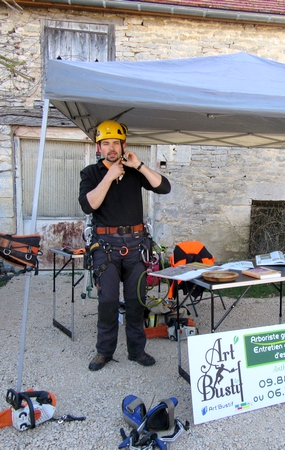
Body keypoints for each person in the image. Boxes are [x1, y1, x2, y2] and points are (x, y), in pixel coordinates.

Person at [79, 120, 171, 370]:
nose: (111, 148)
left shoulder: (134, 172)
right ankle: (104, 351)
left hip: (135, 246)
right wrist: (109, 175)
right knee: (107, 301)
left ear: (123, 145)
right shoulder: (90, 173)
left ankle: (137, 350)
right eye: (106, 143)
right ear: (98, 147)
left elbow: (164, 187)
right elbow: (89, 205)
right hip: (105, 247)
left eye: (115, 143)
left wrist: (139, 165)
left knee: (136, 301)